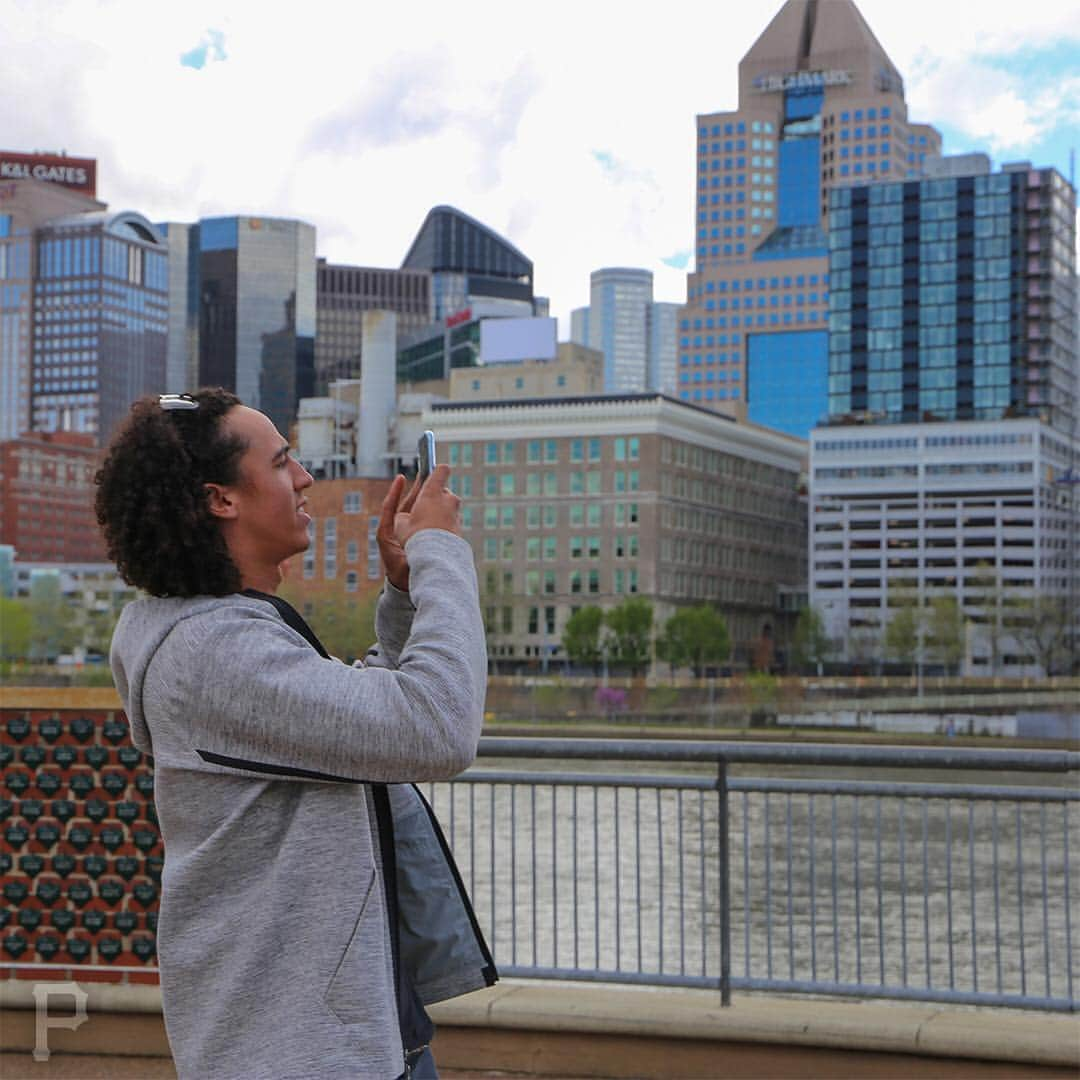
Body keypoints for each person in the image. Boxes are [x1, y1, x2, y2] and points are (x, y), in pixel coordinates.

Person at [95, 388, 495, 1080]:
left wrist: (402, 598)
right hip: (298, 1056)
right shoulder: (214, 655)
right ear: (223, 499)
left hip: (348, 1041)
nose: (306, 478)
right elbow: (438, 727)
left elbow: (359, 739)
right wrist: (438, 552)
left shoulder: (228, 637)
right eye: (282, 463)